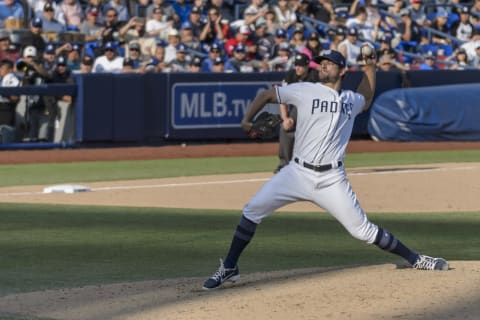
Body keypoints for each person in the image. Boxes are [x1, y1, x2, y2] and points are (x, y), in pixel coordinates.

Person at [202, 47, 449, 290]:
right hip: (296, 173)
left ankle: (416, 259)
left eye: (328, 63)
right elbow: (266, 96)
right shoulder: (304, 90)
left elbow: (367, 95)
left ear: (342, 71)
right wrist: (246, 121)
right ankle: (231, 267)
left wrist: (371, 67)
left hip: (332, 178)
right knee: (252, 210)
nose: (322, 65)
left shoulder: (350, 100)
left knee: (362, 231)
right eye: (321, 62)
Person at [274, 52, 319, 174]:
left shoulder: (315, 75)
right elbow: (282, 98)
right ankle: (284, 164)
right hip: (298, 109)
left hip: (316, 110)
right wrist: (285, 118)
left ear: (307, 66)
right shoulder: (291, 75)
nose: (297, 68)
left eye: (301, 65)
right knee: (286, 127)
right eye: (296, 65)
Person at [0, 59, 20, 143]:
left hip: (7, 112)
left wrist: (6, 94)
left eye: (2, 68)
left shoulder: (11, 78)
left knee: (7, 143)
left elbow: (16, 98)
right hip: (2, 111)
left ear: (10, 70)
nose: (0, 70)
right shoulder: (2, 79)